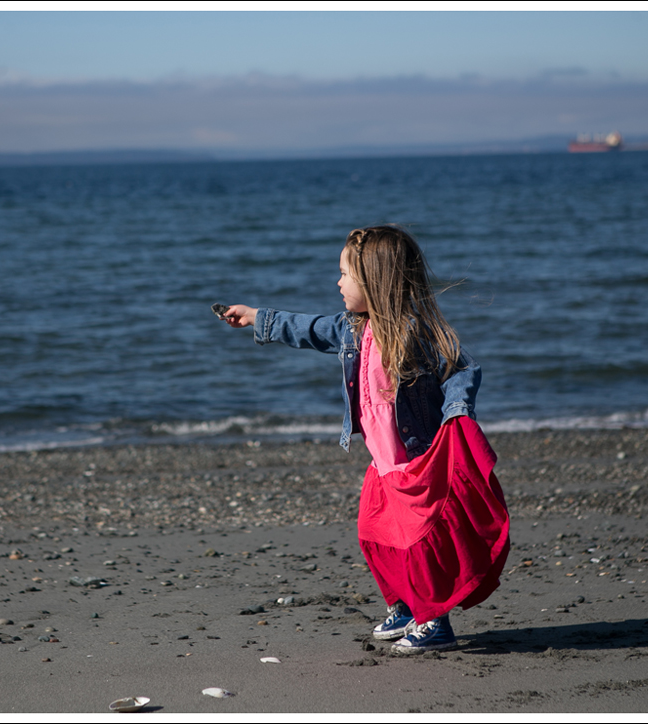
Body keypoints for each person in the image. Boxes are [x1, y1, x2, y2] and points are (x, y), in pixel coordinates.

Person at [217, 224, 509, 655]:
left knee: (420, 544)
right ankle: (407, 605)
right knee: (374, 534)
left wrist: (457, 412)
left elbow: (464, 370)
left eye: (345, 274)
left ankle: (436, 622)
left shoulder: (416, 333)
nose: (337, 282)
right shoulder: (354, 329)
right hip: (383, 463)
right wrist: (258, 317)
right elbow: (310, 329)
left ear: (375, 280)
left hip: (418, 462)